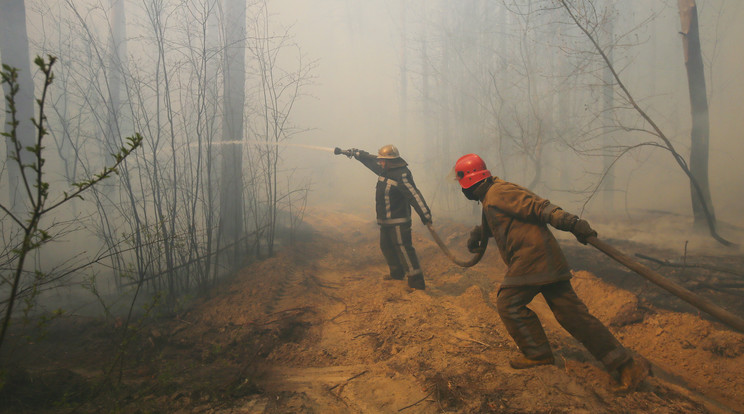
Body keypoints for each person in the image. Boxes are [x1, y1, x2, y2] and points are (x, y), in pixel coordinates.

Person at [453, 153, 649, 392]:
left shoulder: (498, 193)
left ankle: (538, 353)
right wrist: (479, 234)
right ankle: (624, 364)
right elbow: (503, 221)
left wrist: (571, 222)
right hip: (546, 259)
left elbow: (538, 207)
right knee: (572, 315)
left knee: (508, 303)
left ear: (467, 180)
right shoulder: (490, 196)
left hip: (532, 259)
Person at [341, 145, 432, 290]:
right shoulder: (385, 170)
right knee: (386, 247)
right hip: (385, 221)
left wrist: (425, 215)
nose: (380, 162)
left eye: (383, 160)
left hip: (399, 221)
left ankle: (416, 282)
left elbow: (414, 195)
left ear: (390, 161)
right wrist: (357, 154)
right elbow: (371, 161)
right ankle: (397, 273)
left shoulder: (402, 174)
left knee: (404, 249)